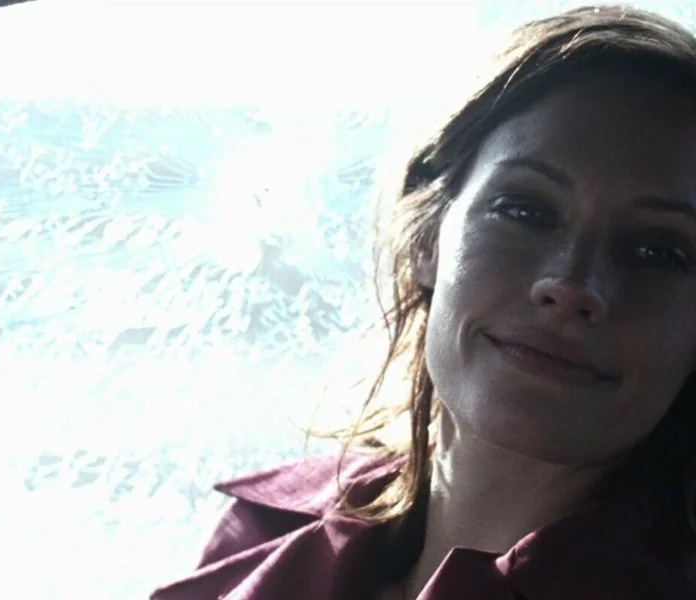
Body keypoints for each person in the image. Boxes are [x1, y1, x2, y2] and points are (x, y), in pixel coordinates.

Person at [150, 4, 696, 599]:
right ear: (426, 239)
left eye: (658, 252)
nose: (570, 287)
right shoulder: (261, 537)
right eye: (524, 210)